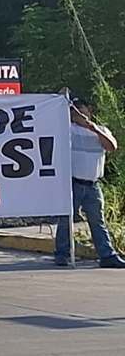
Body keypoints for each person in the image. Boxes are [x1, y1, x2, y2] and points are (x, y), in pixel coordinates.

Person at [55, 95, 125, 268]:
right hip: (73, 182)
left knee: (97, 221)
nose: (77, 112)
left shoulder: (101, 130)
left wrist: (92, 127)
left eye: (81, 108)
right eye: (73, 110)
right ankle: (62, 254)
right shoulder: (68, 129)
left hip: (93, 185)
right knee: (65, 220)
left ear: (89, 110)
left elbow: (111, 147)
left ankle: (107, 255)